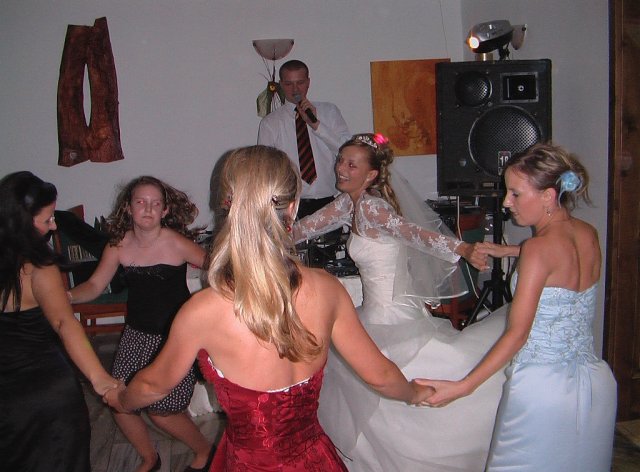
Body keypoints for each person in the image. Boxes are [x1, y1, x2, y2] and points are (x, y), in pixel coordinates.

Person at [103, 145, 434, 471]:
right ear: (293, 206)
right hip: (315, 460)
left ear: (227, 206)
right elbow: (381, 376)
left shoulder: (202, 310)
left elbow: (153, 386)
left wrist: (121, 399)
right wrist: (416, 393)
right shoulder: (328, 289)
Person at [293, 133, 509, 472]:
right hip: (372, 314)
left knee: (388, 383)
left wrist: (463, 248)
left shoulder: (372, 206)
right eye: (340, 161)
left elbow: (414, 233)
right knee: (372, 390)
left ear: (371, 175)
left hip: (393, 315)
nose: (341, 168)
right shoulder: (350, 202)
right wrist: (258, 236)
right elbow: (305, 228)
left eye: (352, 164)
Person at [420, 143, 617, 471]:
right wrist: (512, 250)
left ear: (548, 196)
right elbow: (560, 259)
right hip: (592, 384)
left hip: (542, 389)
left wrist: (464, 386)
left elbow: (517, 334)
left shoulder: (538, 250)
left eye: (515, 194)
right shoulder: (587, 233)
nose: (506, 203)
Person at [69, 176, 213, 472]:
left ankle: (204, 451)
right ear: (129, 207)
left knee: (162, 410)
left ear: (164, 210)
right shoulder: (118, 245)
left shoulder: (176, 243)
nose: (148, 208)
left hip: (176, 338)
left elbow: (217, 267)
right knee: (116, 399)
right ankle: (149, 457)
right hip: (136, 335)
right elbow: (94, 285)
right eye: (141, 202)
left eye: (155, 203)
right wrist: (66, 296)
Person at [0, 171, 119, 471]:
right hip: (45, 389)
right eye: (48, 219)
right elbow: (65, 324)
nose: (54, 226)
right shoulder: (38, 268)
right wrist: (99, 378)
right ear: (23, 223)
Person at [258, 59, 351, 217]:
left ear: (308, 82)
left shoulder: (329, 112)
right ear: (281, 84)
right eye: (289, 84)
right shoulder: (270, 123)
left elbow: (347, 152)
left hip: (329, 202)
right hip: (289, 205)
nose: (295, 89)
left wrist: (316, 125)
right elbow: (265, 168)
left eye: (300, 83)